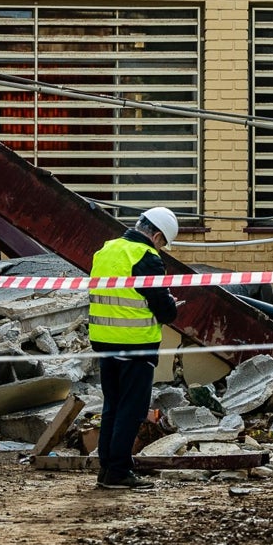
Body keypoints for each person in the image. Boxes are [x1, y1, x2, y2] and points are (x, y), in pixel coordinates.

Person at [89, 206, 180, 490]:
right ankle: (118, 471)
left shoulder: (106, 250)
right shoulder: (147, 257)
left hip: (104, 342)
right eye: (162, 243)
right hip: (135, 344)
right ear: (155, 235)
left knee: (112, 406)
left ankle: (107, 469)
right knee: (131, 409)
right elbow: (164, 310)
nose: (161, 248)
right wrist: (171, 305)